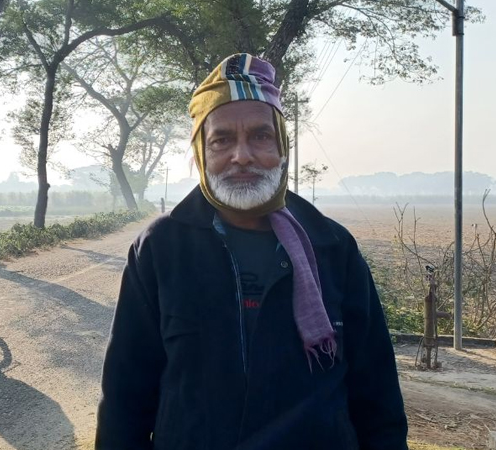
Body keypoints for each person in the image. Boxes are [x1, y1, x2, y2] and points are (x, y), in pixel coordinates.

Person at [95, 54, 408, 449]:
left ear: (282, 148)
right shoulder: (160, 249)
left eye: (260, 136)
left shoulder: (332, 246)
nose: (241, 156)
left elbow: (377, 395)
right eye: (222, 140)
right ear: (201, 153)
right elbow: (125, 399)